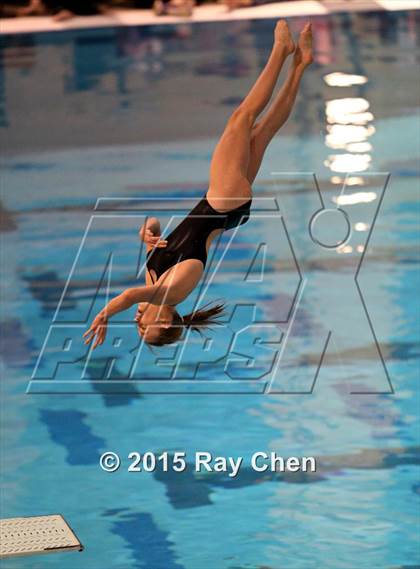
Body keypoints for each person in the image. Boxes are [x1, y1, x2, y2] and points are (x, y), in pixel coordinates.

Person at [84, 20, 313, 348]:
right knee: (240, 119)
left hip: (227, 208)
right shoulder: (172, 292)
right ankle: (280, 52)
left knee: (261, 132)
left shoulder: (155, 279)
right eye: (141, 328)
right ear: (163, 320)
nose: (135, 322)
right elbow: (130, 295)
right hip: (222, 202)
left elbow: (158, 234)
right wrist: (105, 314)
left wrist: (148, 229)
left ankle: (300, 65)